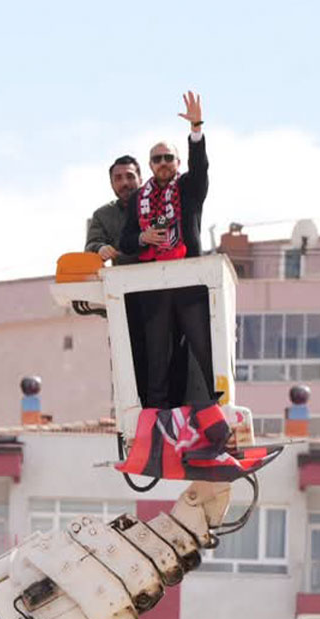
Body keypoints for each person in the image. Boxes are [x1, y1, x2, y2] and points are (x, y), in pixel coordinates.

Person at [120, 91, 213, 409]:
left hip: (187, 283)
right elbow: (125, 241)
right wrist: (144, 237)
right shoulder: (137, 199)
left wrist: (196, 128)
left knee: (203, 347)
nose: (162, 164)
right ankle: (157, 417)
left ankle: (214, 408)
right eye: (157, 159)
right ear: (150, 165)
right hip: (154, 288)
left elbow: (200, 168)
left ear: (177, 162)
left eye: (168, 158)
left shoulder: (189, 188)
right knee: (158, 355)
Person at [85, 155, 143, 265]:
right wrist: (100, 248)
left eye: (130, 176)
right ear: (111, 184)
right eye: (118, 178)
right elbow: (90, 247)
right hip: (121, 278)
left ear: (140, 179)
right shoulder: (102, 215)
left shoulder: (159, 203)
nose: (124, 183)